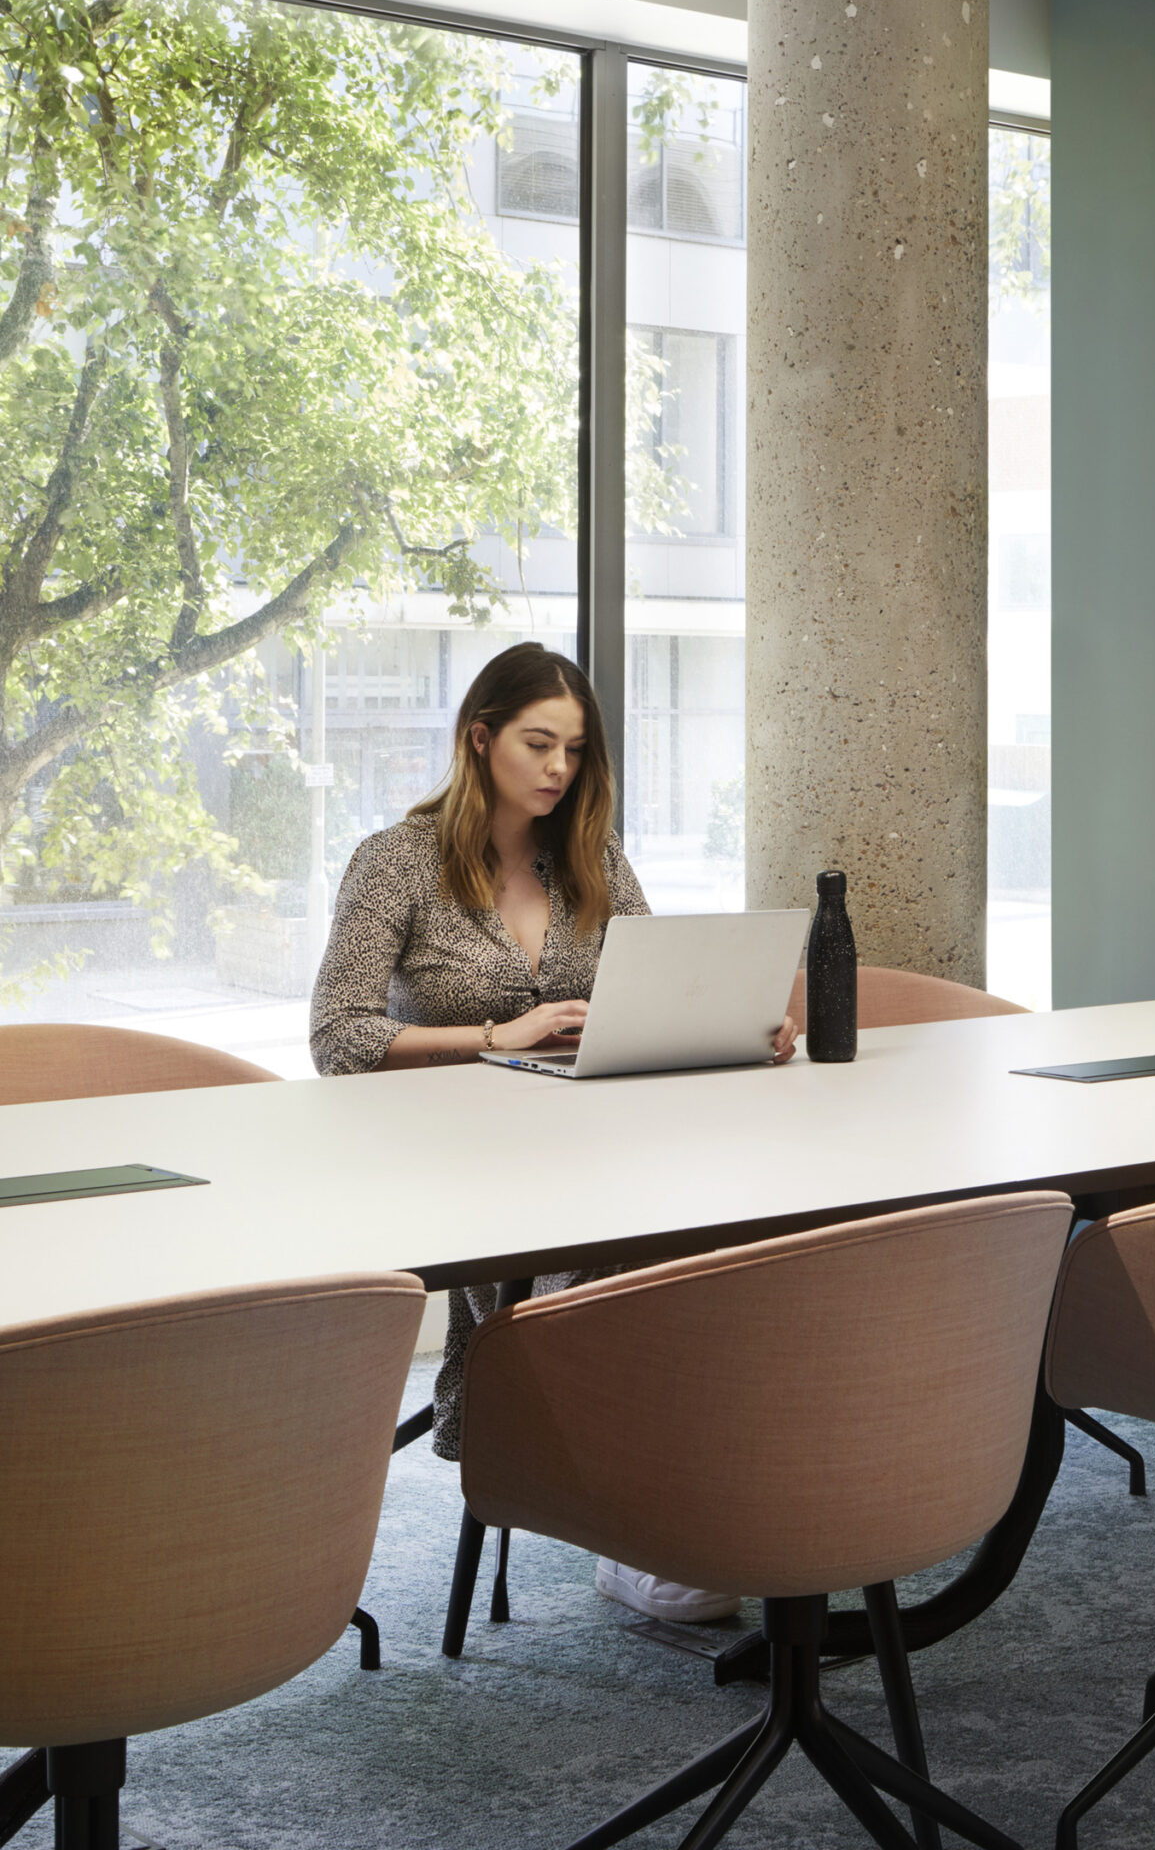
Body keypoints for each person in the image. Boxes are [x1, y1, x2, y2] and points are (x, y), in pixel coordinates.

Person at [309, 639, 794, 1624]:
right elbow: (338, 1034)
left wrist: (741, 1022)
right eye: (538, 743)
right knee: (633, 1275)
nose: (558, 769)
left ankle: (711, 1504)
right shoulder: (395, 861)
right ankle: (633, 1521)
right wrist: (499, 1032)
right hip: (451, 1154)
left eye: (574, 749)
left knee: (730, 1243)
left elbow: (666, 979)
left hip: (598, 1136)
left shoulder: (592, 859)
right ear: (479, 737)